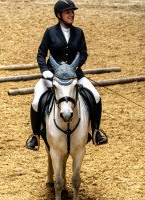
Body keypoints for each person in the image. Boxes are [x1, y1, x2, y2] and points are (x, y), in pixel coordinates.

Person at [25, 0, 108, 151]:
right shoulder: (50, 32)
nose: (71, 15)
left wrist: (74, 67)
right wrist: (45, 70)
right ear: (59, 15)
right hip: (52, 75)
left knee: (96, 95)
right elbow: (41, 54)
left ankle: (96, 132)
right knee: (37, 101)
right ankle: (35, 136)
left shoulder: (79, 32)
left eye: (72, 12)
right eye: (68, 12)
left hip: (74, 75)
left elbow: (83, 53)